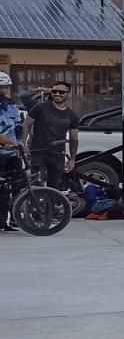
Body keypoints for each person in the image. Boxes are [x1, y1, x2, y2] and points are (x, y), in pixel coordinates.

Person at [23, 81, 80, 189]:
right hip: (39, 152)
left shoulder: (72, 115)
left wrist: (72, 160)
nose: (57, 94)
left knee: (54, 186)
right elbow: (26, 125)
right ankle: (36, 200)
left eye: (61, 92)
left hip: (58, 154)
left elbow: (74, 139)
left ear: (68, 94)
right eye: (54, 91)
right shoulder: (40, 107)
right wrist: (24, 143)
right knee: (36, 185)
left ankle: (50, 200)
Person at [0, 72, 21, 230]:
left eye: (6, 87)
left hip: (13, 153)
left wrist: (20, 142)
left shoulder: (12, 105)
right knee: (1, 190)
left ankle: (14, 219)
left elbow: (18, 126)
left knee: (16, 186)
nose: (4, 90)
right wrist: (8, 143)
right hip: (1, 152)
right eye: (1, 87)